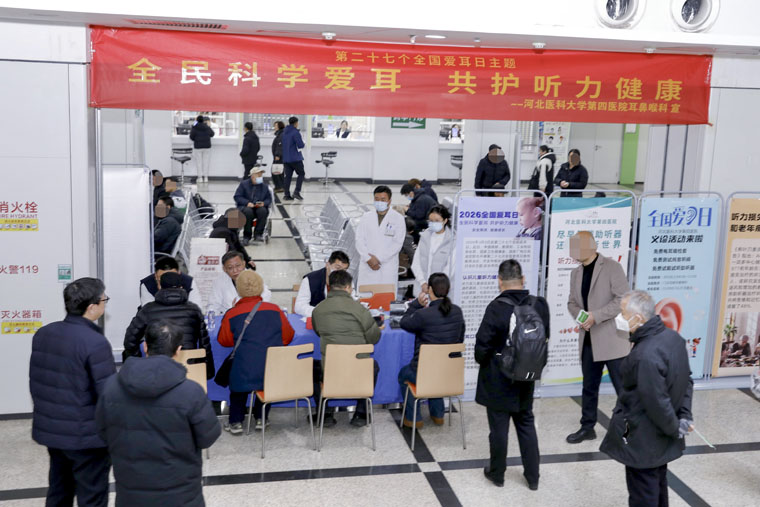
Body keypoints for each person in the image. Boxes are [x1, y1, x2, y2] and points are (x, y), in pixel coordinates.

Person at [96, 322, 221, 507]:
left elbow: (102, 431)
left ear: (145, 346)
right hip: (181, 495)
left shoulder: (111, 386)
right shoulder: (191, 392)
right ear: (179, 350)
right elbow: (207, 437)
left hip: (131, 493)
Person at [600, 290, 694, 507]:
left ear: (638, 318)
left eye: (623, 314)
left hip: (643, 436)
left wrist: (674, 428)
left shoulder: (645, 355)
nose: (619, 318)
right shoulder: (673, 338)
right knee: (658, 483)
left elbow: (656, 402)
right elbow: (686, 380)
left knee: (643, 491)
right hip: (661, 435)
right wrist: (684, 416)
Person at [29, 277, 115, 507]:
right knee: (92, 497)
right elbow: (107, 396)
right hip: (86, 437)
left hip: (53, 431)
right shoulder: (95, 342)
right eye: (104, 300)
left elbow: (38, 381)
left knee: (59, 490)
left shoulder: (44, 333)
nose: (105, 303)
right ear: (91, 307)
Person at [475, 260, 549, 490]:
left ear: (500, 281)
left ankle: (497, 474)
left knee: (499, 428)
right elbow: (544, 338)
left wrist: (486, 360)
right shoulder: (539, 305)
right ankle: (533, 477)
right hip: (526, 375)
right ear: (523, 279)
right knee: (526, 423)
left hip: (498, 377)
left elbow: (482, 347)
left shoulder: (496, 308)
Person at [566, 231, 631, 444]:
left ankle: (631, 428)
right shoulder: (575, 273)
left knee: (623, 388)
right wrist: (583, 318)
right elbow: (572, 303)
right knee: (589, 387)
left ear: (592, 246)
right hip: (588, 339)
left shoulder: (612, 267)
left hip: (612, 339)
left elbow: (622, 299)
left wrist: (596, 316)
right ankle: (587, 427)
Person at [218, 270, 294, 433]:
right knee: (265, 381)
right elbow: (288, 336)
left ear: (239, 289)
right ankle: (261, 418)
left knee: (237, 386)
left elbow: (224, 340)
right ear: (260, 287)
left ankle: (236, 422)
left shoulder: (232, 313)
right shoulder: (275, 309)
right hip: (270, 369)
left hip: (243, 369)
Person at [311, 269, 382, 427]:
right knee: (373, 366)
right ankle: (361, 414)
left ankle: (325, 414)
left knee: (312, 368)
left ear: (329, 286)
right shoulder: (361, 310)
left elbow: (318, 331)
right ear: (348, 287)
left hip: (330, 370)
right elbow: (374, 338)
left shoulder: (318, 310)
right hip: (358, 370)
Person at [398, 273, 465, 428]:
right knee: (436, 371)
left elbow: (404, 323)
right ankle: (438, 415)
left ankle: (413, 418)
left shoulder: (423, 314)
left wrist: (415, 305)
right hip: (449, 373)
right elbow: (459, 338)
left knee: (404, 374)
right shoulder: (457, 311)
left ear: (429, 290)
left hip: (424, 373)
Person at [123, 272, 215, 378]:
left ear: (159, 287)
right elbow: (205, 343)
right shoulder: (194, 310)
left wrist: (138, 360)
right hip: (188, 369)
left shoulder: (147, 309)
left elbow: (130, 340)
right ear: (182, 287)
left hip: (156, 370)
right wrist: (207, 370)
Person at [355, 185, 406, 288]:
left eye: (383, 199)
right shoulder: (366, 217)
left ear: (389, 201)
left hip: (387, 266)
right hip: (367, 264)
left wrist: (378, 259)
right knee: (366, 294)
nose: (379, 202)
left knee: (386, 294)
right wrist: (368, 258)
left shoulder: (398, 219)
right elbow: (359, 239)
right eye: (377, 199)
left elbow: (397, 244)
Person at [208, 251, 272, 315]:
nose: (235, 270)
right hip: (229, 316)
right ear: (224, 269)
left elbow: (265, 297)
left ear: (244, 264)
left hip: (254, 315)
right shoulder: (219, 281)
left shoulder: (254, 277)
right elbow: (213, 305)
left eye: (238, 266)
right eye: (230, 268)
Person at [411, 206, 454, 295]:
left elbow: (450, 267)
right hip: (422, 287)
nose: (433, 223)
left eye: (437, 221)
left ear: (445, 220)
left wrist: (436, 286)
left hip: (441, 288)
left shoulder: (452, 240)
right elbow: (416, 262)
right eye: (431, 221)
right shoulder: (425, 236)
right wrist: (422, 282)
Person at [294, 250, 350, 318]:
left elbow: (352, 302)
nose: (340, 273)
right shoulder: (310, 280)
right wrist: (321, 312)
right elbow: (299, 306)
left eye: (344, 270)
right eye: (337, 268)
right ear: (327, 265)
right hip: (316, 319)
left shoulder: (347, 281)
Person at [233, 166, 271, 245]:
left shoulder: (264, 186)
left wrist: (263, 203)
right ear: (253, 176)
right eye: (258, 176)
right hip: (246, 206)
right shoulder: (244, 184)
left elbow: (269, 199)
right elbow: (237, 197)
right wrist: (247, 203)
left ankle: (258, 234)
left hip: (258, 207)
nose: (260, 177)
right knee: (248, 212)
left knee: (263, 211)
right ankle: (247, 236)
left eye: (261, 176)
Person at [281, 116, 306, 201]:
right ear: (295, 123)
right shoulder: (295, 132)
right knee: (301, 173)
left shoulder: (284, 132)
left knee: (287, 177)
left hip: (286, 159)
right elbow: (300, 145)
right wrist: (303, 143)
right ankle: (296, 192)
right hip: (295, 158)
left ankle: (286, 195)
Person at [190, 115, 214, 183]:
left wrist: (196, 139)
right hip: (207, 146)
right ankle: (206, 178)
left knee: (199, 163)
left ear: (197, 120)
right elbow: (212, 134)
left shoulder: (195, 127)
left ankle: (200, 178)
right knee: (206, 162)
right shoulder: (207, 127)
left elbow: (191, 137)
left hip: (198, 147)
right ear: (203, 120)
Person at [271, 120, 286, 192]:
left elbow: (280, 146)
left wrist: (277, 155)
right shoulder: (280, 134)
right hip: (279, 156)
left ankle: (279, 187)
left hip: (279, 157)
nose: (274, 127)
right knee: (279, 171)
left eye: (276, 126)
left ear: (280, 126)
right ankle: (280, 186)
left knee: (276, 171)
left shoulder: (281, 135)